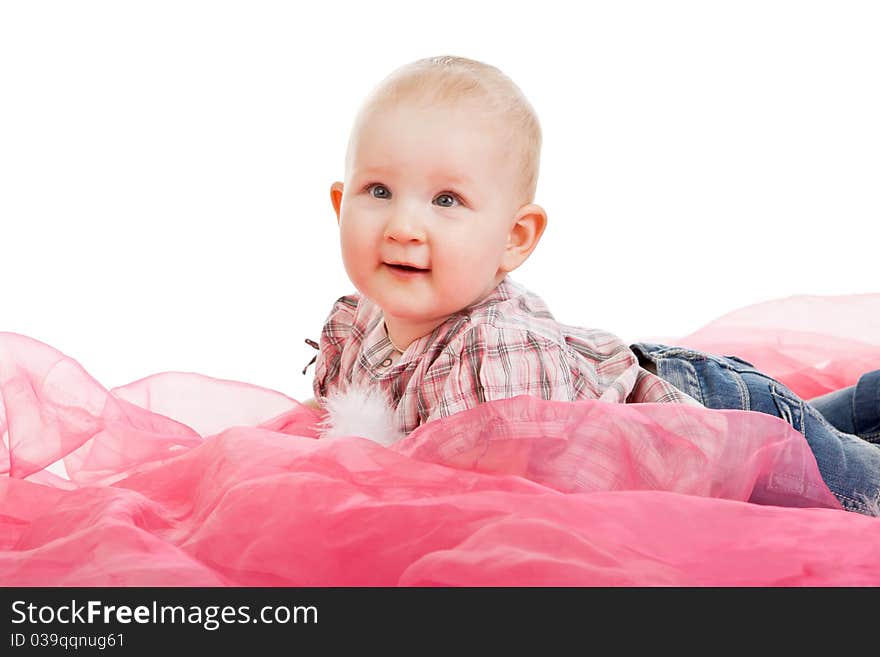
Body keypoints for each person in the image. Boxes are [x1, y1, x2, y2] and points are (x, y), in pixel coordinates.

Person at [303, 55, 880, 516]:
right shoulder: (354, 324)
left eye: (446, 200)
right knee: (834, 419)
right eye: (378, 191)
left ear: (515, 237)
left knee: (859, 484)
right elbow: (340, 420)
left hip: (710, 417)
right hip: (644, 381)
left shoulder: (492, 355)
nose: (404, 227)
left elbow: (497, 508)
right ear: (339, 204)